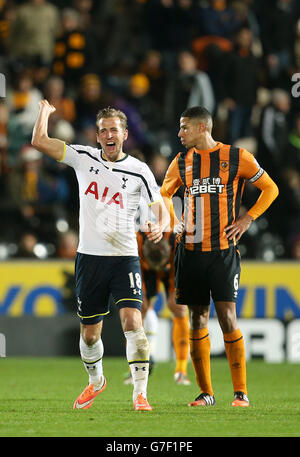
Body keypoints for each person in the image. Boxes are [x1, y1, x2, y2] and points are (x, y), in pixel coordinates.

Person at [31, 99, 168, 411]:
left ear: (124, 134)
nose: (109, 134)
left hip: (125, 258)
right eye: (103, 130)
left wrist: (159, 226)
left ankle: (140, 394)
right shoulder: (83, 158)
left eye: (114, 130)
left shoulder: (139, 170)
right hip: (90, 258)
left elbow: (158, 204)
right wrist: (44, 113)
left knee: (133, 320)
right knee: (91, 336)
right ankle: (96, 381)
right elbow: (39, 141)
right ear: (97, 136)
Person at [160, 106, 279, 407]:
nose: (180, 133)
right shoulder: (181, 161)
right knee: (197, 318)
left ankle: (240, 392)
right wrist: (174, 221)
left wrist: (248, 218)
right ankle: (206, 393)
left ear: (202, 127)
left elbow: (270, 188)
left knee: (227, 316)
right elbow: (162, 194)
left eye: (184, 127)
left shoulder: (237, 157)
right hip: (189, 252)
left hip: (223, 253)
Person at [125, 231, 190, 385]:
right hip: (142, 267)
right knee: (139, 310)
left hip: (173, 266)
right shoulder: (137, 241)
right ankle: (134, 370)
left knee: (178, 307)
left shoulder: (178, 242)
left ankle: (181, 371)